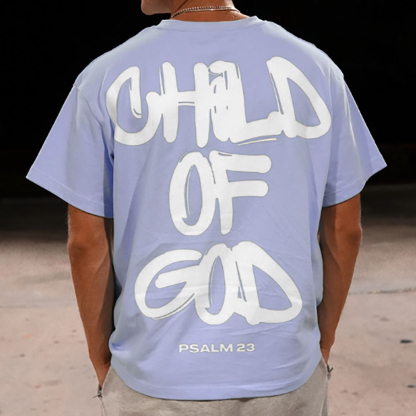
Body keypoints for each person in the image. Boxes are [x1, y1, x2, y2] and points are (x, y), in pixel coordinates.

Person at [25, 0, 388, 415]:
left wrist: (101, 359)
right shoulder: (317, 70)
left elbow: (86, 243)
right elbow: (344, 229)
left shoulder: (105, 77)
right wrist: (321, 343)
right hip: (284, 369)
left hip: (154, 373)